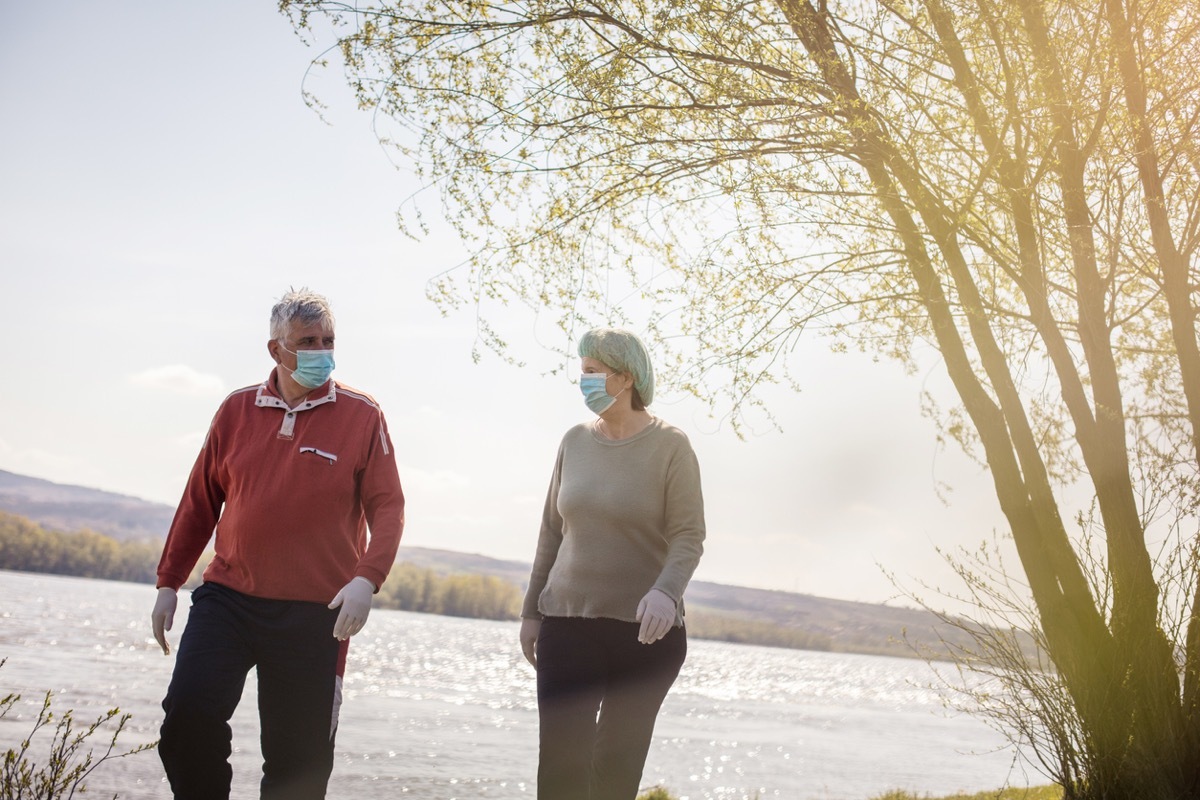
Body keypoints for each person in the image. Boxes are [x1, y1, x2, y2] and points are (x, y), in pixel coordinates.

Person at [150, 287, 405, 800]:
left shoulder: (363, 414)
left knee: (299, 765)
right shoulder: (235, 410)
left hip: (316, 613)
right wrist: (168, 582)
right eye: (307, 340)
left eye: (328, 339)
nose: (320, 350)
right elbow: (200, 500)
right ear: (276, 350)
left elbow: (389, 508)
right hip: (228, 600)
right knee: (187, 719)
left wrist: (366, 578)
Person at [519, 327, 706, 800]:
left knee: (613, 778)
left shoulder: (671, 446)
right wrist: (530, 613)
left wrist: (667, 591)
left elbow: (689, 535)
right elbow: (550, 531)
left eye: (591, 372)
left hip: (644, 635)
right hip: (568, 622)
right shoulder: (574, 442)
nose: (583, 382)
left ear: (624, 378)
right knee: (561, 774)